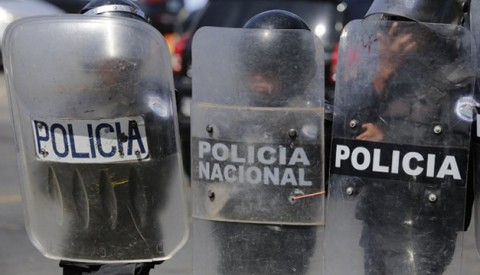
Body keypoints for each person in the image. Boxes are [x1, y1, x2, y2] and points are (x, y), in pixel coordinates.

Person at [329, 0, 475, 274]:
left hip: (424, 226)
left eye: (407, 24)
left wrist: (387, 139)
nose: (394, 28)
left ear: (437, 29)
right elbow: (347, 132)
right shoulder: (389, 71)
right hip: (379, 215)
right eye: (391, 19)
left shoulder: (459, 81)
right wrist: (382, 76)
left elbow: (455, 155)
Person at [190, 10, 326, 274]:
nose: (259, 78)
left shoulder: (316, 122)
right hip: (235, 236)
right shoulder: (226, 117)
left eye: (271, 70)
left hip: (290, 243)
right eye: (254, 67)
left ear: (295, 71)